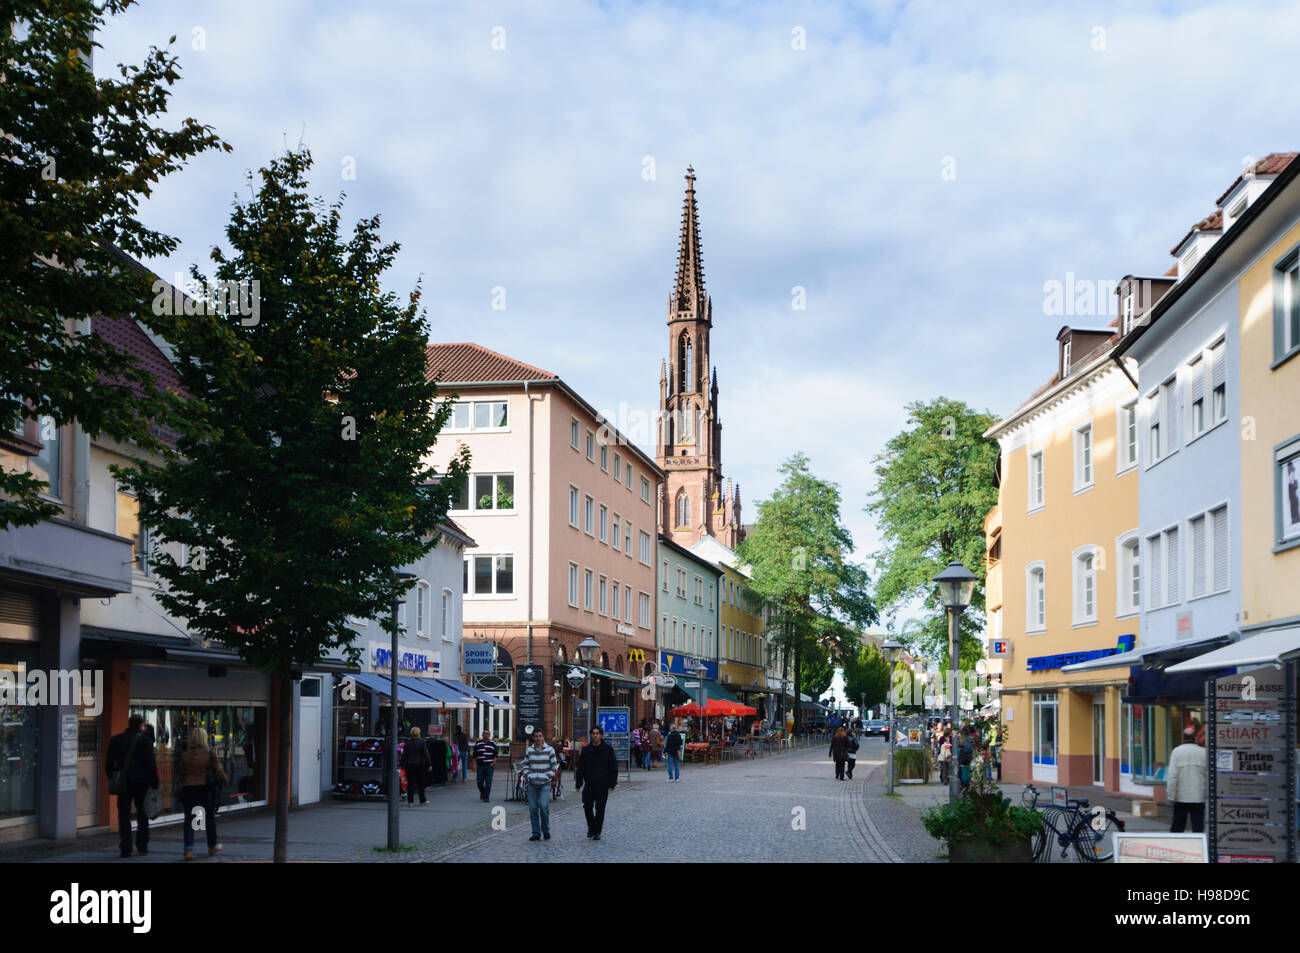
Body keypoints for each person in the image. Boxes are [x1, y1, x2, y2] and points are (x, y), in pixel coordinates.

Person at [105, 714, 160, 858]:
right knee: (143, 814)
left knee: (123, 816)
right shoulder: (145, 741)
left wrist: (114, 778)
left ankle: (125, 847)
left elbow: (108, 764)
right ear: (140, 726)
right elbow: (151, 764)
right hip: (142, 783)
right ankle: (142, 846)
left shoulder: (116, 740)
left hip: (123, 783)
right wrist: (154, 782)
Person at [178, 726, 228, 859]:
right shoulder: (210, 754)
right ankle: (212, 846)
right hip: (204, 789)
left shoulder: (185, 755)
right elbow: (219, 770)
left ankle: (188, 850)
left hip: (188, 789)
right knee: (209, 818)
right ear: (204, 738)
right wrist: (225, 779)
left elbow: (181, 772)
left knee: (189, 819)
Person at [575, 726, 618, 840]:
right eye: (593, 733)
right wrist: (578, 783)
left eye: (597, 733)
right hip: (589, 783)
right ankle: (591, 826)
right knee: (587, 806)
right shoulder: (586, 750)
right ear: (591, 735)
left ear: (601, 735)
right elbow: (581, 767)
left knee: (600, 809)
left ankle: (597, 831)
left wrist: (612, 783)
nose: (595, 735)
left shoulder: (607, 749)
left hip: (603, 784)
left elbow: (613, 767)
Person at [1166, 726, 1207, 833]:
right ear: (1196, 738)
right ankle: (1199, 846)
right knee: (1198, 825)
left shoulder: (1177, 752)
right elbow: (1207, 776)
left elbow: (1172, 776)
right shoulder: (1203, 753)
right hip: (1199, 795)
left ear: (1182, 737)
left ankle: (1177, 846)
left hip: (1181, 796)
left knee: (1178, 826)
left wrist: (1171, 795)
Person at [521, 729, 558, 841]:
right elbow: (525, 765)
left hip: (545, 784)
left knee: (543, 806)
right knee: (532, 808)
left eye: (540, 736)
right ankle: (536, 832)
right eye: (536, 736)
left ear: (543, 737)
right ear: (533, 738)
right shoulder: (529, 750)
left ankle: (546, 830)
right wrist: (528, 775)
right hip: (532, 783)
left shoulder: (549, 750)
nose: (538, 738)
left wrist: (548, 776)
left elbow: (554, 766)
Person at [473, 729, 498, 802]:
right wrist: (474, 765)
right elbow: (474, 755)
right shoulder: (478, 743)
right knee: (479, 782)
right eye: (484, 733)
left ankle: (486, 797)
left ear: (489, 735)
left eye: (487, 733)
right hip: (480, 766)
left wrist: (493, 763)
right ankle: (483, 792)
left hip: (489, 766)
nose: (486, 735)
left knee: (488, 783)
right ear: (482, 734)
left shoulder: (493, 743)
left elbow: (495, 755)